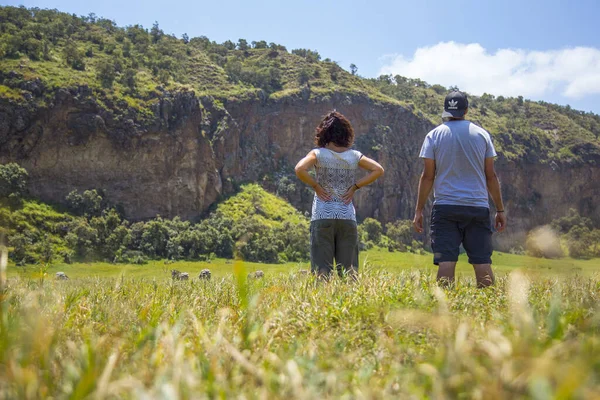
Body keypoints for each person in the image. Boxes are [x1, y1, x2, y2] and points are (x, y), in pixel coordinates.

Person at [413, 91, 506, 287]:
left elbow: (428, 176)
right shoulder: (482, 135)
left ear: (446, 110)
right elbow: (491, 176)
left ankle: (444, 312)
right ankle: (489, 312)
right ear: (466, 110)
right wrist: (500, 209)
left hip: (445, 207)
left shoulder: (434, 135)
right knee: (482, 262)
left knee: (446, 261)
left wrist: (419, 210)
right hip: (477, 207)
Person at [295, 111, 384, 278]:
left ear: (323, 132)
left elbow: (299, 169)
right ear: (346, 133)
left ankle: (322, 302)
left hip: (322, 214)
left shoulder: (318, 154)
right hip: (347, 216)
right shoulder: (354, 156)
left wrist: (315, 185)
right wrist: (355, 187)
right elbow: (378, 170)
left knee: (322, 272)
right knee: (349, 273)